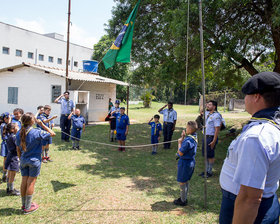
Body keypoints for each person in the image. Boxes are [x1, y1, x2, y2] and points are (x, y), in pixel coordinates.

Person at [219, 71, 280, 224]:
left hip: (247, 208)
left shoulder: (256, 137)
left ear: (256, 96)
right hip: (267, 202)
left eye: (246, 94)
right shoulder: (271, 126)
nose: (244, 99)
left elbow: (250, 198)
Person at [16, 113, 55, 214]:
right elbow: (52, 133)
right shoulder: (36, 132)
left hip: (24, 160)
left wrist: (21, 158)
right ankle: (28, 207)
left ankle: (24, 204)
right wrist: (42, 124)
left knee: (24, 181)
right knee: (31, 182)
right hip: (34, 160)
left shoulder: (19, 132)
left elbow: (18, 148)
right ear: (32, 121)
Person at [174, 121, 198, 206]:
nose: (185, 128)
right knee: (186, 180)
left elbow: (180, 153)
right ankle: (184, 197)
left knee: (182, 182)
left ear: (190, 129)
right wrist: (183, 137)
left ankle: (183, 200)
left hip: (185, 163)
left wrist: (180, 142)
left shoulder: (188, 141)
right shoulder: (194, 136)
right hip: (190, 162)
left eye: (187, 127)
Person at [199, 100, 221, 178]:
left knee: (210, 155)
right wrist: (205, 106)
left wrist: (214, 141)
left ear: (214, 107)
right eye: (207, 104)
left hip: (211, 137)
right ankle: (206, 170)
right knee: (205, 154)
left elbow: (217, 129)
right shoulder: (207, 113)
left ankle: (210, 171)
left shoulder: (216, 116)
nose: (208, 105)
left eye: (210, 104)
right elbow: (201, 112)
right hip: (205, 136)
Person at [5, 123, 20, 196]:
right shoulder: (14, 137)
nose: (18, 127)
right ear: (12, 129)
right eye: (17, 127)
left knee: (10, 173)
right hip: (13, 157)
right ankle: (11, 190)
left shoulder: (9, 136)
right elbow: (18, 146)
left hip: (10, 155)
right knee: (12, 174)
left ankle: (9, 188)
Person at [0, 112, 11, 182]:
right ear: (5, 119)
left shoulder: (5, 124)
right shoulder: (3, 125)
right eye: (9, 118)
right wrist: (9, 123)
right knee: (6, 160)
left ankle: (6, 175)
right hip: (6, 144)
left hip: (8, 143)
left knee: (8, 160)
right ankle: (4, 175)